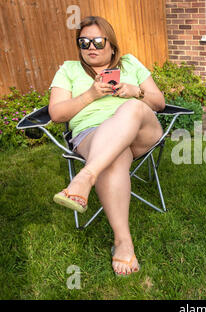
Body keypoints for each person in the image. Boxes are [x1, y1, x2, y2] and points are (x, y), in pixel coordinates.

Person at [49, 16, 165, 275]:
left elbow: (159, 103)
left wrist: (136, 91)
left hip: (140, 131)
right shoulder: (68, 70)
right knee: (114, 158)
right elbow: (56, 113)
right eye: (84, 42)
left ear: (112, 45)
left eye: (99, 41)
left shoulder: (131, 63)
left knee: (133, 108)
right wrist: (90, 95)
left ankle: (86, 176)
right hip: (93, 135)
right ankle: (123, 242)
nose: (91, 47)